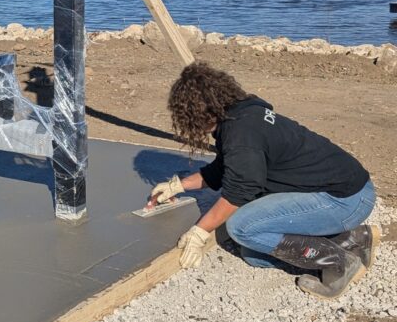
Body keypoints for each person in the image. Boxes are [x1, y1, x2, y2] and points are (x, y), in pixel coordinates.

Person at [149, 62, 377, 299]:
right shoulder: (242, 115)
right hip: (347, 191)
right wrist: (179, 185)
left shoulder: (241, 134)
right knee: (253, 253)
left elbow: (239, 191)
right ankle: (352, 238)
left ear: (197, 113)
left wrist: (200, 232)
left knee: (242, 227)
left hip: (344, 200)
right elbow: (223, 169)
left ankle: (337, 263)